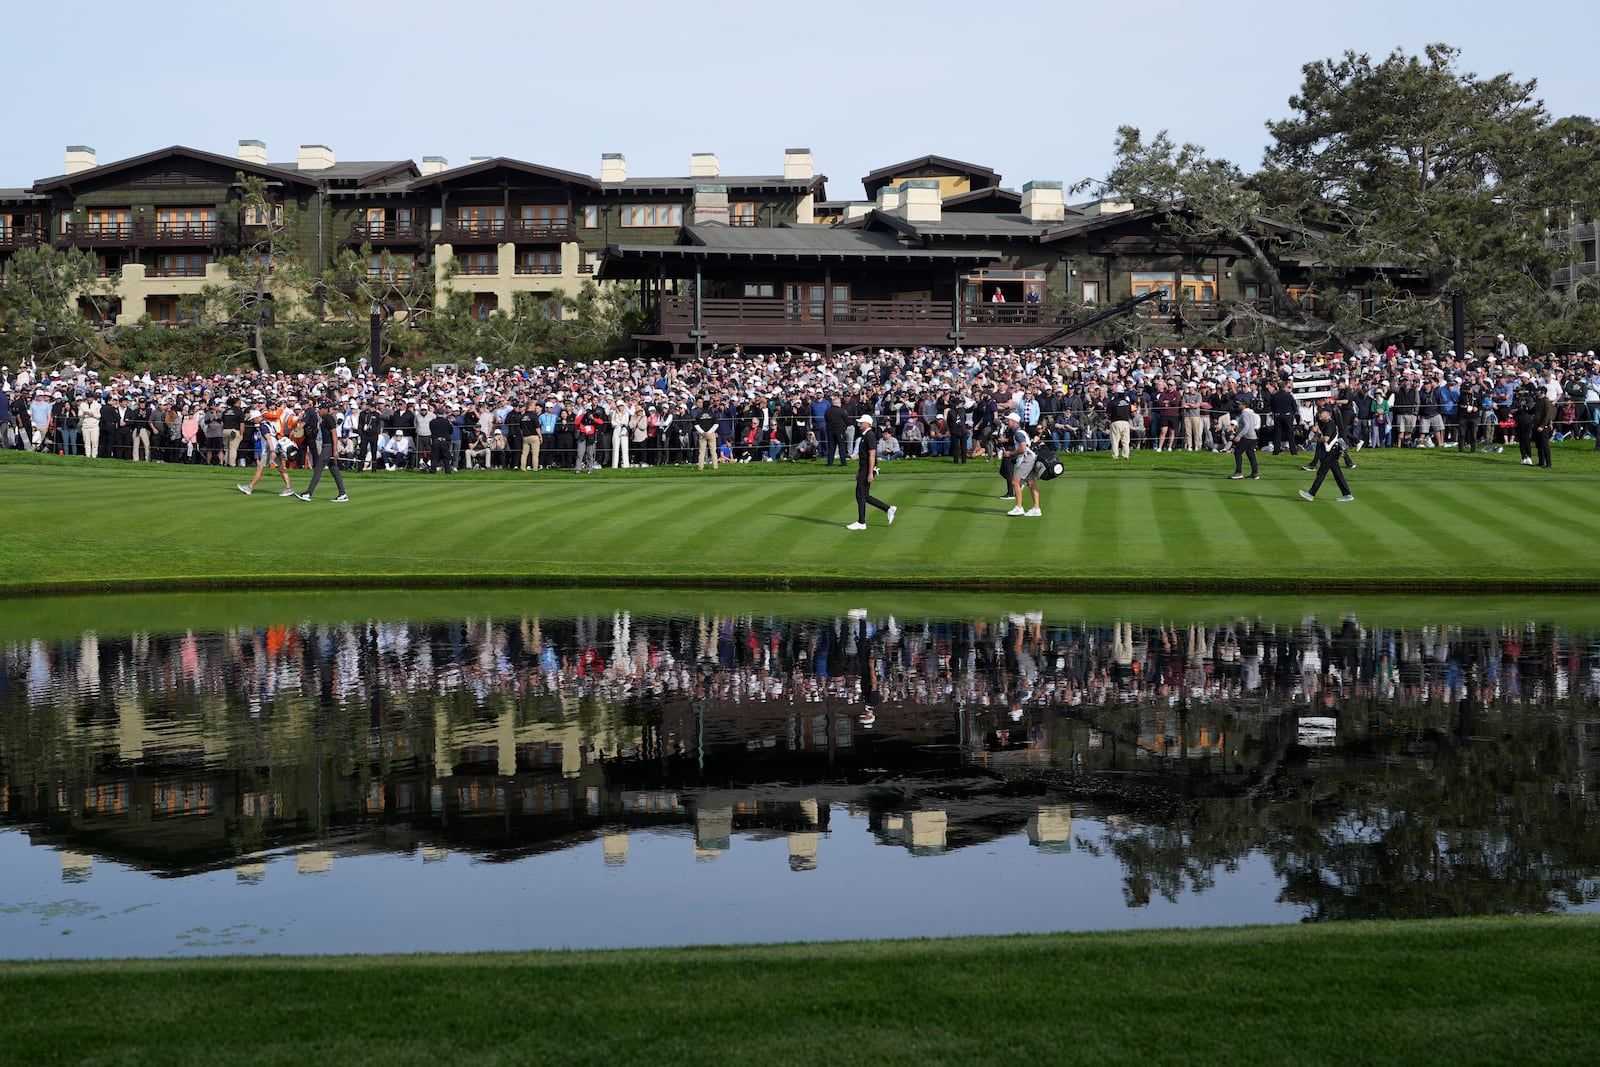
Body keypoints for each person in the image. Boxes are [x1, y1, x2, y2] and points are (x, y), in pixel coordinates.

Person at [846, 413, 895, 531]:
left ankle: (861, 522)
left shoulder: (870, 435)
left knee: (860, 494)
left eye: (861, 423)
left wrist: (869, 472)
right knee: (865, 496)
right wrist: (859, 471)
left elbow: (872, 454)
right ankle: (888, 509)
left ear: (867, 423)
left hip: (868, 468)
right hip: (863, 467)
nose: (859, 424)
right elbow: (863, 456)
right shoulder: (864, 436)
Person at [295, 397, 350, 502]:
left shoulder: (328, 418)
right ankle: (342, 493)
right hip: (327, 446)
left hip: (328, 447)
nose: (318, 411)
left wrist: (335, 450)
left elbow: (334, 434)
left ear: (325, 409)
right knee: (334, 471)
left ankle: (308, 493)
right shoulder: (325, 419)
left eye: (320, 409)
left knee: (318, 469)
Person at [1297, 408, 1353, 503]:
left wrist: (1316, 440)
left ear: (1327, 414)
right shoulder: (1326, 423)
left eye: (1321, 413)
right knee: (1337, 474)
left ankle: (1311, 493)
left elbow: (1326, 439)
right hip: (1332, 451)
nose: (1319, 414)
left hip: (1330, 452)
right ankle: (1347, 494)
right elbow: (1320, 431)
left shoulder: (1330, 424)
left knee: (1321, 473)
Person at [237, 410, 296, 496]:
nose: (253, 421)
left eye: (254, 419)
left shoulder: (263, 426)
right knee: (280, 468)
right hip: (275, 447)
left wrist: (272, 451)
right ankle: (288, 488)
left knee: (261, 468)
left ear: (257, 418)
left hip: (270, 449)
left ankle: (249, 488)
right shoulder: (268, 423)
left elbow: (268, 438)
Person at [1002, 411, 1041, 517]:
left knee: (1015, 482)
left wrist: (1010, 453)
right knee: (1031, 483)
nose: (1007, 422)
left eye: (1009, 420)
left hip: (1026, 459)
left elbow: (1023, 449)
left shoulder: (1018, 433)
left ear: (1014, 422)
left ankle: (1019, 507)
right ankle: (1036, 508)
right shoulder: (1019, 432)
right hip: (1029, 458)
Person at [1229, 401, 1260, 479]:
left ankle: (1238, 472)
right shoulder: (1251, 413)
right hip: (1252, 436)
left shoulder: (1245, 414)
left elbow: (1247, 426)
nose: (1239, 405)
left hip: (1247, 437)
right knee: (1250, 454)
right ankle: (1254, 473)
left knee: (1237, 453)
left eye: (1240, 404)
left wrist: (1239, 435)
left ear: (1244, 405)